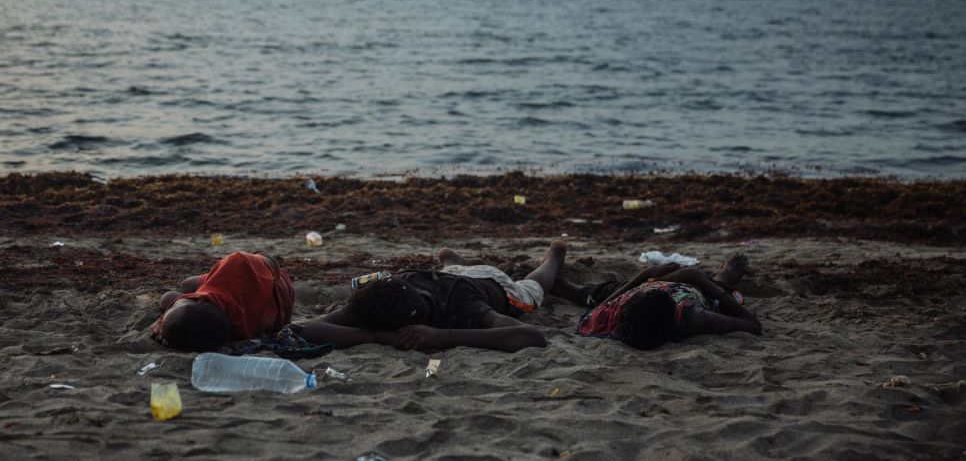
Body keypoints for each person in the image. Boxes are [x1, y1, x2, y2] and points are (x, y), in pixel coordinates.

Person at [297, 240, 567, 353]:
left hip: (493, 283)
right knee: (451, 269)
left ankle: (554, 255)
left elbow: (532, 336)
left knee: (532, 290)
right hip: (449, 275)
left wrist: (442, 336)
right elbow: (304, 329)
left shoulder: (465, 308)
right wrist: (378, 337)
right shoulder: (392, 290)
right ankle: (451, 258)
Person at [552, 254, 761, 349]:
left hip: (644, 286)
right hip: (690, 287)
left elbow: (594, 311)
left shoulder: (610, 318)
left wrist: (646, 275)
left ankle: (565, 286)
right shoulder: (696, 318)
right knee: (717, 288)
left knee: (597, 293)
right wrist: (695, 277)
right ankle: (723, 277)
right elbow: (753, 324)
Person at [151, 251, 295, 352]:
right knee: (185, 286)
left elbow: (168, 299)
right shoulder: (238, 263)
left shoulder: (237, 332)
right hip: (277, 288)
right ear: (204, 301)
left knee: (184, 286)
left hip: (271, 303)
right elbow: (272, 265)